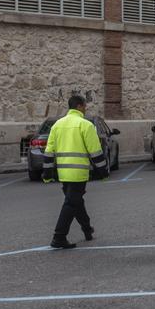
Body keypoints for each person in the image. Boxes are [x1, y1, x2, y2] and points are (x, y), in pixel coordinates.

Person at [42, 95, 109, 249]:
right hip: (78, 173)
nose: (86, 109)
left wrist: (47, 173)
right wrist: (103, 172)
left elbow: (49, 151)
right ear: (79, 106)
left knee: (75, 201)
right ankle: (59, 237)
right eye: (85, 106)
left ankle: (87, 229)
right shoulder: (85, 125)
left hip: (63, 173)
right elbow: (95, 152)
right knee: (71, 203)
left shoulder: (57, 125)